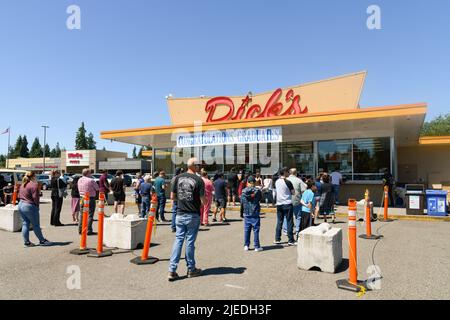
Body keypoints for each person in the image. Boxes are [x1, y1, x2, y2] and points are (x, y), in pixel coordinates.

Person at [168, 157, 206, 281]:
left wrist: (183, 199)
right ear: (193, 166)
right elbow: (203, 201)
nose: (200, 167)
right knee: (189, 242)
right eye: (198, 164)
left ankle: (172, 270)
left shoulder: (177, 178)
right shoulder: (199, 180)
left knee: (178, 240)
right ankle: (191, 269)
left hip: (179, 214)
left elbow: (172, 197)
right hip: (192, 215)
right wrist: (203, 202)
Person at [18, 172, 51, 247]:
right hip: (29, 206)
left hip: (21, 204)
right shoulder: (34, 185)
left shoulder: (23, 184)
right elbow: (35, 198)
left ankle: (27, 242)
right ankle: (42, 240)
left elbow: (19, 195)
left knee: (25, 223)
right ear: (33, 177)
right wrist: (37, 206)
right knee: (36, 225)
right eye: (35, 176)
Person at [274, 168, 296, 246]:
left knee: (279, 221)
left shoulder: (276, 181)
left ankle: (277, 239)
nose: (288, 173)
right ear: (284, 173)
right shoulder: (288, 182)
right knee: (289, 221)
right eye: (287, 172)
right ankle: (291, 240)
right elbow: (293, 192)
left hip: (279, 204)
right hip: (287, 203)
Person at [241, 175, 263, 251]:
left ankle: (246, 245)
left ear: (247, 182)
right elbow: (260, 199)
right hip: (255, 212)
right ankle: (256, 246)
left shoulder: (243, 191)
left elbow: (242, 202)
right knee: (256, 230)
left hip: (246, 212)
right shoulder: (258, 191)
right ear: (254, 182)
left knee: (247, 230)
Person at [77, 168, 99, 235]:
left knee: (82, 214)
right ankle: (88, 230)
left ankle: (80, 229)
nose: (91, 174)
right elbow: (97, 188)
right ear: (87, 173)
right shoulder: (91, 180)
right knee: (90, 214)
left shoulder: (79, 179)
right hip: (90, 198)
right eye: (90, 173)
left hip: (81, 198)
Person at [285, 168, 305, 238]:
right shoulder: (299, 180)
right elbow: (303, 190)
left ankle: (286, 230)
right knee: (298, 216)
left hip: (286, 200)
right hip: (296, 200)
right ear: (296, 173)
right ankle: (297, 230)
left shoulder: (285, 180)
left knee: (286, 216)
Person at [170, 167, 183, 232]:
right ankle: (176, 226)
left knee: (175, 212)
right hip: (178, 197)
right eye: (181, 171)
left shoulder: (173, 178)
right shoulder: (179, 178)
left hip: (175, 196)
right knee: (179, 212)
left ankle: (173, 226)